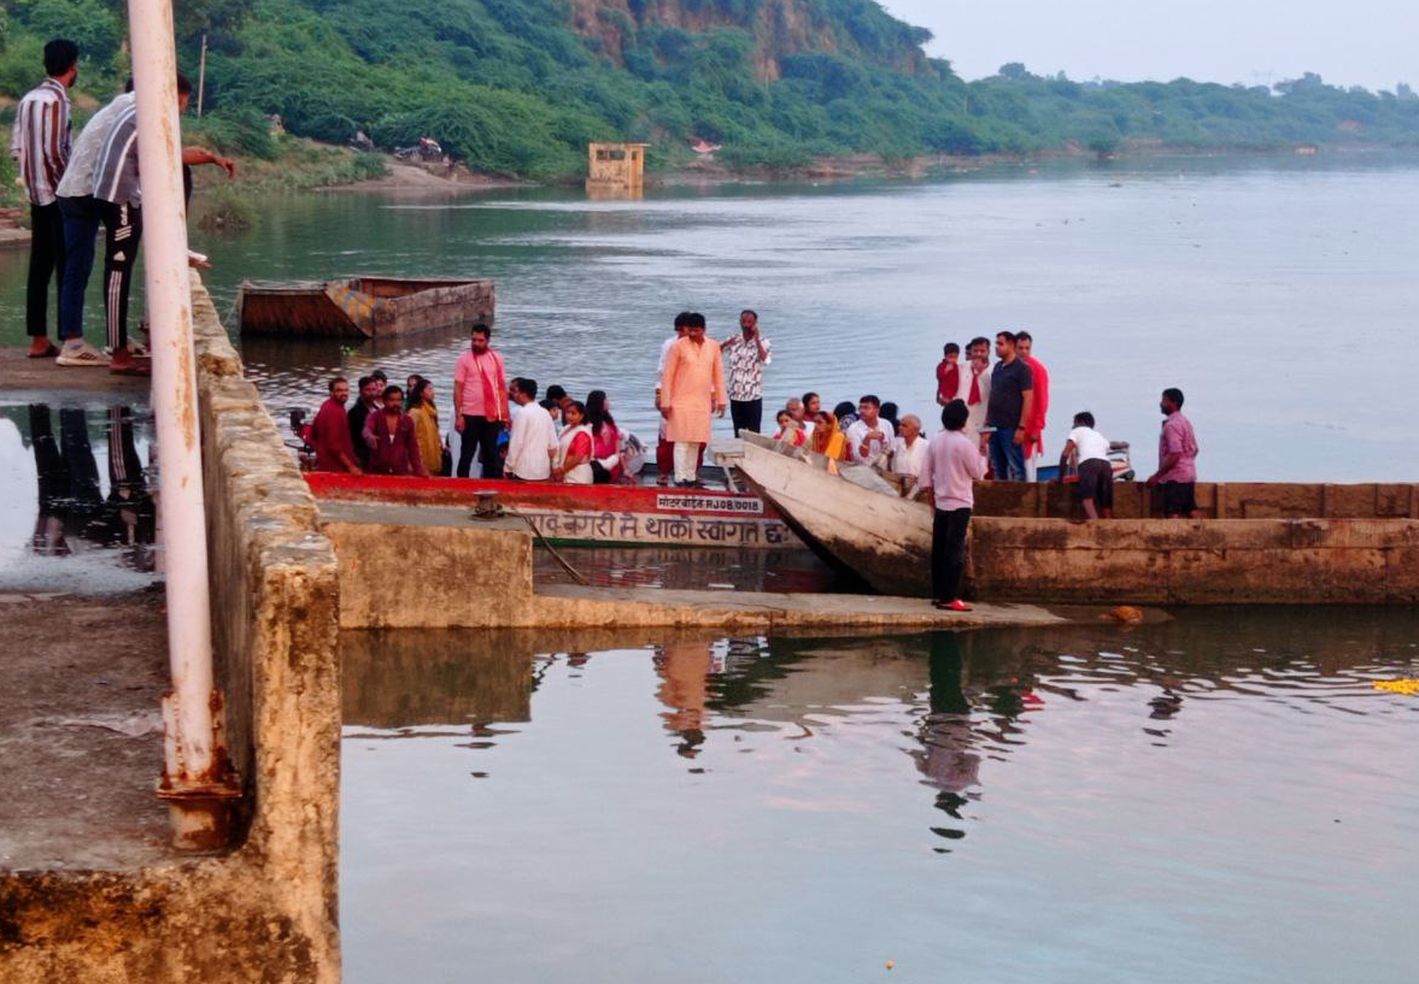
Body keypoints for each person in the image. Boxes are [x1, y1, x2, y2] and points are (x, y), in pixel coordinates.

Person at [10, 39, 78, 360]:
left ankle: (39, 340)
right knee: (67, 265)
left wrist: (32, 183)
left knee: (39, 267)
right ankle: (69, 340)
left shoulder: (27, 100)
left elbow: (16, 150)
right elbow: (55, 152)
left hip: (35, 194)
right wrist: (67, 186)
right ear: (72, 67)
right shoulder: (57, 101)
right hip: (56, 193)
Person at [915, 400, 986, 612]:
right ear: (963, 421)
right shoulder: (964, 444)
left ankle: (938, 594)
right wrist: (983, 451)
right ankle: (948, 597)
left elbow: (926, 473)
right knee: (954, 552)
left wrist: (931, 498)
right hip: (960, 502)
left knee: (939, 550)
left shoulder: (936, 440)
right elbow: (977, 472)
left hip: (942, 501)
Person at [658, 312, 726, 486]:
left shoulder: (713, 346)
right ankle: (680, 477)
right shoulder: (678, 346)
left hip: (702, 401)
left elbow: (718, 375)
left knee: (696, 440)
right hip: (680, 401)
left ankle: (691, 476)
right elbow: (667, 377)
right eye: (691, 331)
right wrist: (665, 402)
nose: (693, 334)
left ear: (703, 329)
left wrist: (721, 400)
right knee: (681, 441)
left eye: (696, 331)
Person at [453, 323, 511, 479]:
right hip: (470, 414)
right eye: (473, 340)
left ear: (488, 340)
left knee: (491, 454)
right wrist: (459, 415)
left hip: (492, 415)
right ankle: (461, 488)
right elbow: (458, 388)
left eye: (480, 340)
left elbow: (501, 386)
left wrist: (506, 415)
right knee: (467, 453)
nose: (476, 344)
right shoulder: (463, 360)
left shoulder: (497, 358)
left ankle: (492, 488)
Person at [984, 331, 1034, 481]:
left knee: (1016, 468)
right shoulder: (998, 367)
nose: (996, 347)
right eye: (996, 344)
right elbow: (993, 396)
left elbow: (1028, 398)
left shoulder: (1022, 368)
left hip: (1010, 427)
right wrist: (987, 425)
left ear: (1011, 345)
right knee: (998, 468)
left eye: (1000, 344)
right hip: (994, 427)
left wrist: (1021, 427)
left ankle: (1023, 501)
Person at [1146, 387, 1200, 518]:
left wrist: (1157, 476)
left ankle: (1175, 538)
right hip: (1188, 475)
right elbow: (1195, 449)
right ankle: (1202, 535)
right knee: (1191, 509)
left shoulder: (1171, 425)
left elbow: (1175, 454)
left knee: (1172, 513)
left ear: (1173, 403)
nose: (1161, 404)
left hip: (1175, 478)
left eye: (1164, 400)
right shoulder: (1185, 422)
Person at [654, 312, 691, 483]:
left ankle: (690, 473)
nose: (681, 334)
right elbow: (661, 370)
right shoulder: (670, 344)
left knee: (692, 435)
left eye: (684, 330)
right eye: (679, 331)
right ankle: (664, 472)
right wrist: (659, 394)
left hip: (692, 395)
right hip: (671, 393)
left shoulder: (701, 345)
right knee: (666, 434)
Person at [722, 309, 772, 437]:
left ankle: (753, 456)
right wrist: (727, 344)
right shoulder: (733, 339)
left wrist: (757, 341)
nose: (746, 325)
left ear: (755, 323)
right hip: (735, 394)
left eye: (749, 322)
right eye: (743, 321)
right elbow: (714, 353)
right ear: (739, 322)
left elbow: (766, 361)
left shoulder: (764, 342)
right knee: (738, 431)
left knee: (754, 432)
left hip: (753, 395)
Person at [363, 385, 428, 476]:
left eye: (398, 400)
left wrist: (418, 469)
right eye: (392, 400)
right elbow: (367, 429)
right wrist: (369, 436)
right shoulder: (375, 416)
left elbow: (412, 447)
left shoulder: (407, 420)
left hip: (400, 470)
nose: (395, 403)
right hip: (377, 469)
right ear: (384, 401)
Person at [1058, 411, 1112, 520]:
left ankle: (1095, 522)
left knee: (1087, 496)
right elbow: (1111, 445)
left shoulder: (1077, 431)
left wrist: (1060, 478)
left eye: (1074, 422)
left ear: (1080, 422)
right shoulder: (1097, 434)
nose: (1072, 426)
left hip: (1089, 463)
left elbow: (1065, 453)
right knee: (1105, 498)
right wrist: (1123, 444)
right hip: (1106, 464)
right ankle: (1108, 522)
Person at [506, 378, 558, 481]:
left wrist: (508, 467)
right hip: (543, 470)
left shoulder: (522, 413)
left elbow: (516, 443)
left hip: (523, 469)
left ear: (523, 394)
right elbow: (553, 445)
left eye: (516, 392)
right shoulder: (545, 413)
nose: (514, 395)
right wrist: (554, 467)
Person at [309, 376, 362, 474]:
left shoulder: (326, 405)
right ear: (331, 392)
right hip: (336, 467)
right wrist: (350, 466)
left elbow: (313, 432)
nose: (344, 393)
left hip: (325, 463)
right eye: (339, 390)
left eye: (346, 390)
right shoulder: (335, 412)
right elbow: (334, 446)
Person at [1016, 331, 1050, 481]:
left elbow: (1043, 400)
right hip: (1011, 428)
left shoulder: (1038, 369)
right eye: (1020, 348)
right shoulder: (1008, 367)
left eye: (1027, 348)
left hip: (1029, 430)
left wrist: (1037, 427)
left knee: (1028, 471)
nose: (1024, 352)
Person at [958, 336, 992, 449]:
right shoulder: (960, 369)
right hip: (960, 426)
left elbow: (995, 405)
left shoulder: (994, 372)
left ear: (988, 352)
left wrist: (987, 432)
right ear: (970, 351)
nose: (978, 354)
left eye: (982, 351)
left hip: (982, 428)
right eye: (975, 351)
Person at [406, 378, 445, 476]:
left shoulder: (431, 411)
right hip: (420, 456)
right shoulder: (415, 412)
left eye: (432, 389)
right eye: (429, 389)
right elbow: (408, 436)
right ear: (421, 393)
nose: (433, 392)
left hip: (433, 455)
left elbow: (436, 430)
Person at [845, 395, 895, 466]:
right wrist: (867, 439)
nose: (862, 411)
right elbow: (857, 458)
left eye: (866, 408)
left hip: (884, 468)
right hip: (864, 470)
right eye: (860, 408)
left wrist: (883, 443)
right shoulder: (853, 428)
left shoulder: (886, 424)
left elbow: (893, 449)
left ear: (877, 410)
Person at [585, 389, 622, 483]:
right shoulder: (588, 424)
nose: (608, 402)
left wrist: (616, 457)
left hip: (612, 461)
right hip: (596, 464)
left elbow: (617, 442)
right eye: (606, 399)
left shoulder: (608, 421)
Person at [554, 400, 595, 484]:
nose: (569, 416)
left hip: (578, 475)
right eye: (567, 413)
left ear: (581, 416)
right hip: (565, 472)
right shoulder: (565, 429)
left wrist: (561, 470)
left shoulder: (582, 433)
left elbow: (578, 457)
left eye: (573, 413)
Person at [888, 414, 929, 491]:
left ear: (915, 429)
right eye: (900, 425)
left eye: (904, 426)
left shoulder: (926, 446)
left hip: (918, 489)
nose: (900, 428)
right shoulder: (896, 444)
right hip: (897, 487)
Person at [347, 376, 380, 469]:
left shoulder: (378, 409)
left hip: (376, 455)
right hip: (362, 456)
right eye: (368, 390)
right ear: (361, 392)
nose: (371, 393)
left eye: (373, 389)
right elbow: (351, 438)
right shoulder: (354, 412)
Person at [935, 343, 961, 407]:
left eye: (955, 357)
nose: (953, 359)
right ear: (945, 356)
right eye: (950, 357)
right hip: (945, 393)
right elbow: (939, 376)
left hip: (954, 394)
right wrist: (945, 371)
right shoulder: (942, 366)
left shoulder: (957, 366)